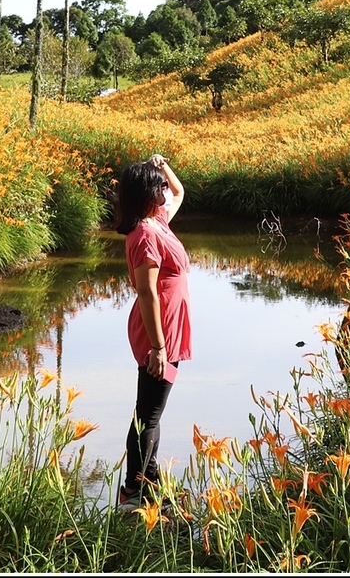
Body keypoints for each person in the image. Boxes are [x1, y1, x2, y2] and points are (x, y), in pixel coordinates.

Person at [114, 153, 190, 510]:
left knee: (150, 410)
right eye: (156, 183)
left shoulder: (157, 220)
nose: (164, 187)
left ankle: (147, 479)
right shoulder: (145, 234)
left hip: (168, 327)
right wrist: (158, 347)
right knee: (149, 412)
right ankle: (134, 488)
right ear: (146, 194)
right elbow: (146, 292)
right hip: (157, 332)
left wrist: (161, 166)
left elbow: (179, 190)